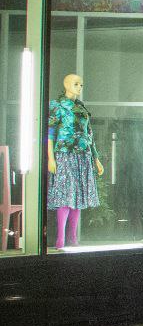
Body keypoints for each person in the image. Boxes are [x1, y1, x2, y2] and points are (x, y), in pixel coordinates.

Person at [47, 73, 103, 249]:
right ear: (66, 85)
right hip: (65, 154)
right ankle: (60, 238)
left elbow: (89, 135)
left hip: (83, 155)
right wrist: (50, 158)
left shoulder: (81, 107)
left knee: (77, 196)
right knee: (65, 194)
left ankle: (72, 237)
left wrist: (96, 158)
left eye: (81, 85)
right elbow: (50, 133)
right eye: (76, 84)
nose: (79, 87)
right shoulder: (57, 106)